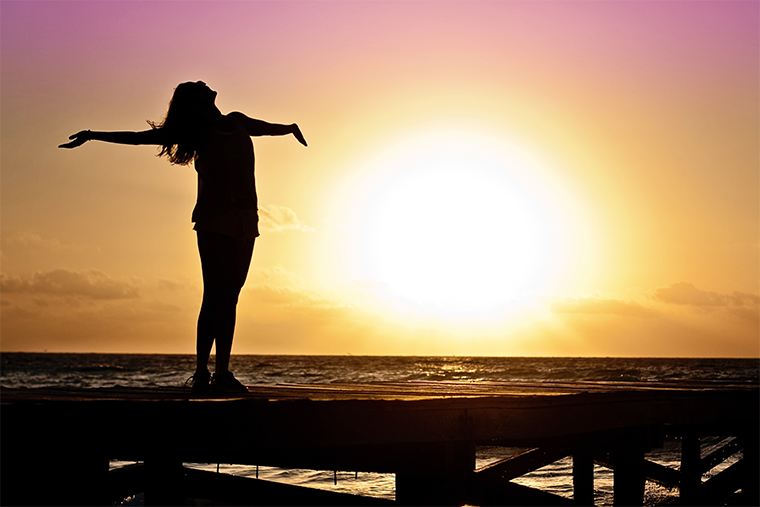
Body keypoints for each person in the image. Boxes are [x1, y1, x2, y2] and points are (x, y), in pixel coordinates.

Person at [60, 81, 307, 392]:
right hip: (215, 220)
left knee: (231, 297)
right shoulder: (198, 131)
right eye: (197, 87)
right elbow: (139, 139)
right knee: (215, 295)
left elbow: (268, 128)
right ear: (195, 103)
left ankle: (222, 373)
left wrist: (290, 127)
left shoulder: (237, 121)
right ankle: (202, 373)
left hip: (247, 220)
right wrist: (94, 135)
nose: (205, 84)